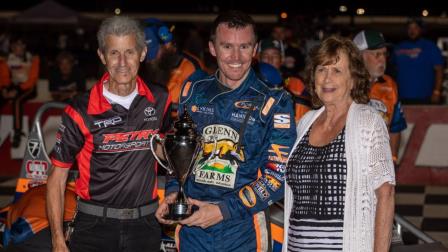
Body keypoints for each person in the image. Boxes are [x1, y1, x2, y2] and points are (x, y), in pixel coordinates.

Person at [156, 10, 296, 251]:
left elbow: (278, 175)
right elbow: (178, 155)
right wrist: (172, 193)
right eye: (227, 46)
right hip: (192, 228)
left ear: (255, 50)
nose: (236, 57)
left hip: (242, 229)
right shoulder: (193, 91)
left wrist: (223, 210)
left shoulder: (275, 101)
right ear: (212, 48)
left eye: (244, 47)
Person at [46, 16, 171, 252]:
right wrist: (57, 240)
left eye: (130, 52)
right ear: (102, 56)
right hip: (94, 227)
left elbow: (163, 149)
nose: (122, 62)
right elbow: (57, 176)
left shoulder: (160, 99)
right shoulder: (81, 109)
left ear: (142, 53)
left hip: (145, 225)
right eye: (114, 53)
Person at [283, 36, 395, 251]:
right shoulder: (305, 122)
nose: (327, 79)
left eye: (336, 71)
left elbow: (385, 194)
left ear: (352, 79)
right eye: (321, 70)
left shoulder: (368, 121)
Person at [354, 30, 407, 164]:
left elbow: (395, 127)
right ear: (359, 56)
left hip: (378, 164)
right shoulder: (343, 84)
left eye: (384, 54)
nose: (382, 59)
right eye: (377, 54)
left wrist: (393, 159)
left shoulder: (390, 85)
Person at [141, 18, 206, 118]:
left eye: (153, 50)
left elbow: (200, 110)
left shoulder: (191, 68)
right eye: (145, 52)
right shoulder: (143, 66)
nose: (149, 59)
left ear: (167, 44)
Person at [258, 37, 311, 122]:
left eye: (275, 56)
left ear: (282, 59)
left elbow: (306, 114)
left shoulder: (296, 83)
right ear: (259, 59)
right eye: (265, 56)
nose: (270, 60)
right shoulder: (250, 83)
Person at [393, 17, 444, 104]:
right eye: (409, 28)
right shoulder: (398, 47)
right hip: (401, 97)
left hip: (425, 97)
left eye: (415, 28)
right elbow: (392, 71)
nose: (412, 31)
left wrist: (437, 92)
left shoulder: (431, 47)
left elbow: (439, 70)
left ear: (421, 29)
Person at [3, 36, 39, 148]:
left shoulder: (33, 58)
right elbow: (4, 76)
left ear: (24, 46)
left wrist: (16, 90)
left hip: (29, 88)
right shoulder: (7, 59)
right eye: (14, 45)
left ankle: (17, 134)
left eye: (19, 44)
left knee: (17, 101)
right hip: (13, 86)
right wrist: (4, 88)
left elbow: (32, 79)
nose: (16, 47)